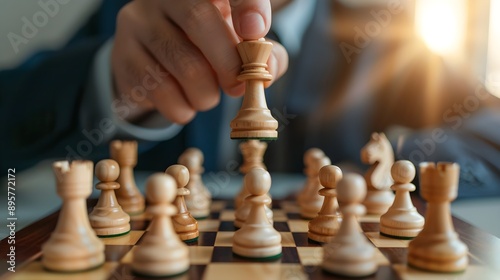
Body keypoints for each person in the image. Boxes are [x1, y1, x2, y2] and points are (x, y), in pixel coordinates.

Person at [1, 0, 499, 198]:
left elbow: (492, 131)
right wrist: (106, 82)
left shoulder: (391, 39)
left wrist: (390, 164)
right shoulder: (132, 12)